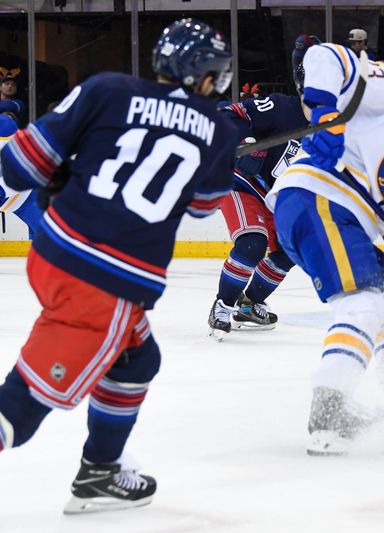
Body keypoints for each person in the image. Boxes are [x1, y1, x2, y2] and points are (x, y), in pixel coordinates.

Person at [0, 19, 238, 513]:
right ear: (209, 75)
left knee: (137, 359)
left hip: (54, 251)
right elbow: (201, 207)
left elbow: (18, 168)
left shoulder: (106, 88)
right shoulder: (218, 130)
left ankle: (98, 473)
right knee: (19, 408)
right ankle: (98, 471)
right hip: (101, 281)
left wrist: (68, 166)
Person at [266, 32, 384, 455]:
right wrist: (327, 114)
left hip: (343, 213)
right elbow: (324, 55)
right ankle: (328, 413)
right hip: (317, 198)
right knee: (364, 303)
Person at [207, 36, 314, 338]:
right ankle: (223, 304)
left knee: (290, 251)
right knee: (252, 244)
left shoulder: (334, 125)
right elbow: (228, 113)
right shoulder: (280, 108)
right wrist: (242, 140)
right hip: (244, 183)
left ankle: (249, 304)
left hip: (278, 197)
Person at [0, 114, 42, 238]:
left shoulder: (3, 127)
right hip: (17, 200)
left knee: (50, 239)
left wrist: (2, 190)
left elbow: (21, 161)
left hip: (31, 191)